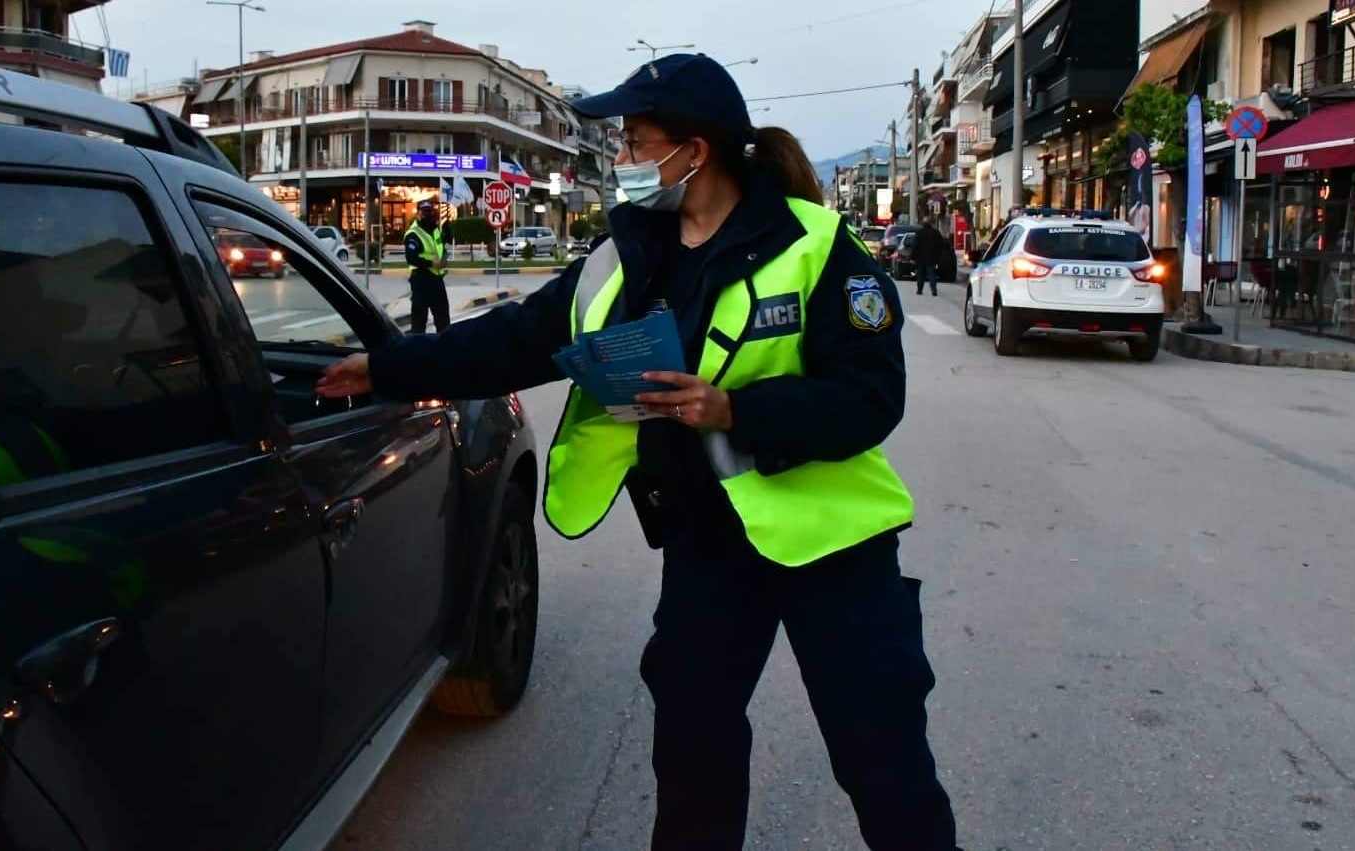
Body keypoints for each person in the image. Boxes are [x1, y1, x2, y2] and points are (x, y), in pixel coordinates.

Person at [317, 54, 959, 851]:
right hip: (708, 544)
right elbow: (516, 339)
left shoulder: (817, 244)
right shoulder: (623, 258)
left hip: (832, 544)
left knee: (882, 757)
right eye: (621, 142)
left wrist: (734, 408)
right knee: (692, 753)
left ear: (696, 149)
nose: (621, 159)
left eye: (634, 141)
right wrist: (385, 368)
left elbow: (871, 397)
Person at [405, 200, 449, 333]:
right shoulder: (413, 233)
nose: (427, 214)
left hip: (437, 280)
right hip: (421, 281)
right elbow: (411, 258)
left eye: (429, 211)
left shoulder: (435, 230)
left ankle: (446, 350)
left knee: (443, 321)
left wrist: (444, 258)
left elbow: (441, 248)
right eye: (424, 212)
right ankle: (417, 351)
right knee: (419, 322)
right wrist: (431, 263)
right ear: (418, 214)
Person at [913, 218, 945, 297]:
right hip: (931, 257)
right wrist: (938, 255)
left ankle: (919, 290)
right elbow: (941, 245)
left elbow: (915, 246)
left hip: (921, 258)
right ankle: (934, 290)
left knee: (921, 275)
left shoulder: (919, 233)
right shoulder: (935, 233)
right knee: (932, 275)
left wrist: (913, 256)